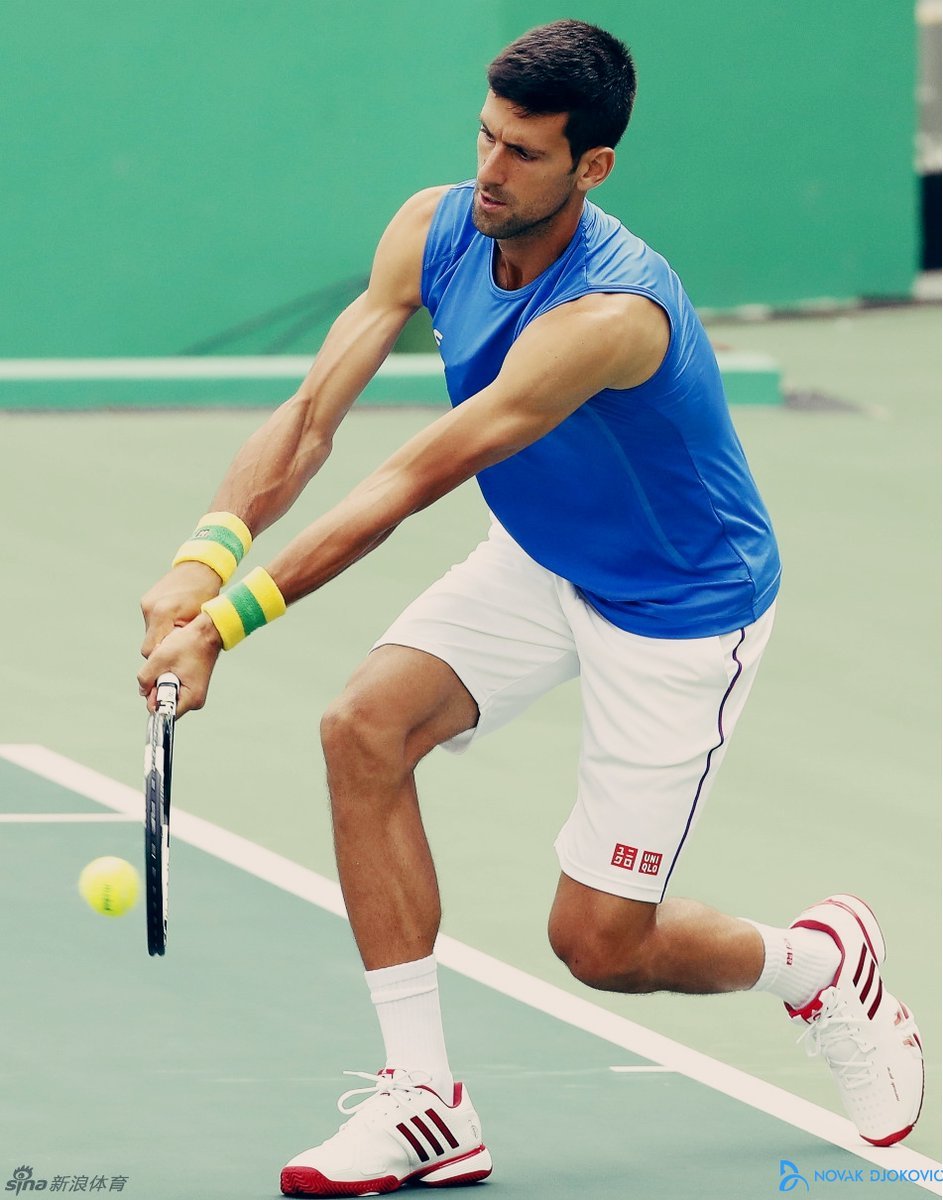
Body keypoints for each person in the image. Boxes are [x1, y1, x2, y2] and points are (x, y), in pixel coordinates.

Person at [138, 19, 924, 1198]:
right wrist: (206, 553)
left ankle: (815, 963)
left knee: (600, 948)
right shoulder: (434, 224)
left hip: (676, 606)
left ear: (591, 166)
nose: (490, 173)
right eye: (485, 138)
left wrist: (222, 629)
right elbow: (311, 421)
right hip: (544, 553)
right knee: (362, 730)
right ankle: (428, 1106)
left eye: (524, 155)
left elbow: (404, 483)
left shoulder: (607, 317)